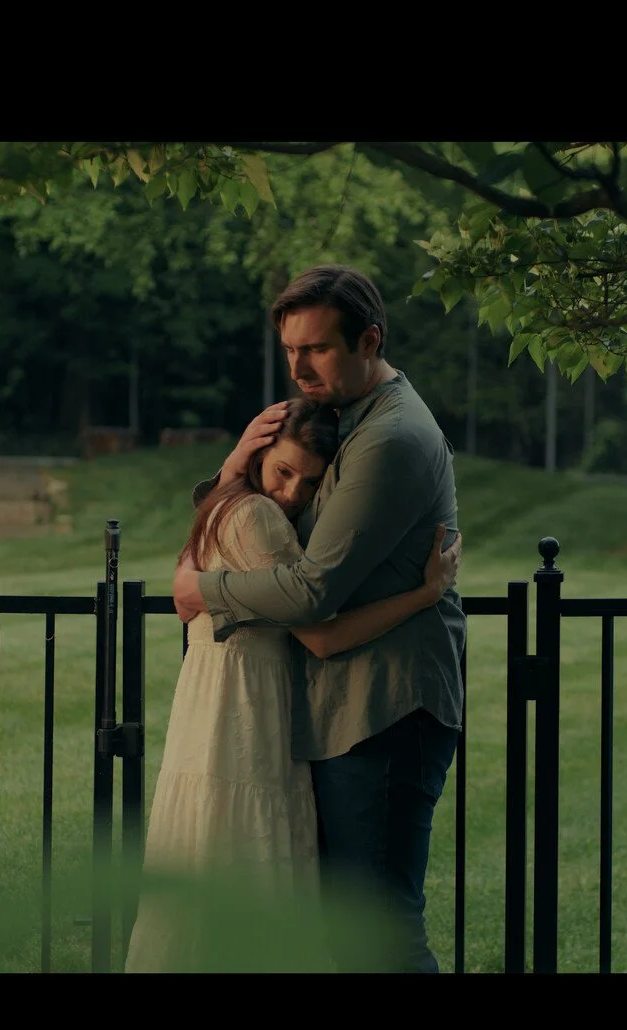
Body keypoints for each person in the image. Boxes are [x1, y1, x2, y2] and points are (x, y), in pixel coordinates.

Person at [172, 264, 467, 973]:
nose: (300, 368)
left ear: (370, 340)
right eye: (290, 351)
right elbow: (261, 521)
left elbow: (311, 593)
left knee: (380, 936)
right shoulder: (343, 418)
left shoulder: (389, 438)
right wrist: (234, 462)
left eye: (319, 349)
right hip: (346, 710)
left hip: (385, 711)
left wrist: (201, 592)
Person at [125, 397, 459, 973]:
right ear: (259, 452)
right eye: (283, 471)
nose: (292, 494)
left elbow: (190, 586)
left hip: (215, 708)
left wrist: (231, 469)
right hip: (246, 710)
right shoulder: (259, 519)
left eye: (309, 484)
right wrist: (424, 597)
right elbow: (321, 636)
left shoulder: (225, 504)